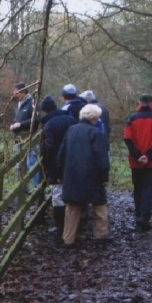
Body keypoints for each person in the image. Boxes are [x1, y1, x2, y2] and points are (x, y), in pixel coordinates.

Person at [57, 104, 110, 246]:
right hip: (92, 176)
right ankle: (101, 235)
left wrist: (59, 173)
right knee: (100, 206)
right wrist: (104, 176)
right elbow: (102, 158)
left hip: (72, 175)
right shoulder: (96, 133)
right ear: (94, 118)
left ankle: (68, 239)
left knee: (72, 208)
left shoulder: (71, 130)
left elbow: (61, 154)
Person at [123, 93, 152, 231]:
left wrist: (138, 156)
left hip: (136, 161)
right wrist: (148, 156)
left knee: (138, 187)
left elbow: (128, 139)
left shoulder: (132, 118)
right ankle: (145, 216)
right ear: (151, 102)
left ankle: (138, 213)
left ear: (140, 102)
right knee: (148, 188)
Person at [39, 95, 77, 237]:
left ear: (45, 111)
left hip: (56, 163)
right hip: (73, 162)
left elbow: (49, 145)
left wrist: (43, 159)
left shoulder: (49, 124)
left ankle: (60, 227)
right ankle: (73, 226)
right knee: (72, 194)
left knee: (57, 196)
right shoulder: (71, 119)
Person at [9, 82, 41, 193]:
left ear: (23, 92)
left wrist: (20, 125)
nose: (15, 95)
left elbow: (36, 119)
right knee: (21, 164)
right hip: (19, 138)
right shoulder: (19, 103)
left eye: (17, 93)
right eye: (14, 93)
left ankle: (37, 189)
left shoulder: (32, 102)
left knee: (31, 163)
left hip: (29, 138)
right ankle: (25, 189)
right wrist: (13, 124)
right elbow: (18, 118)